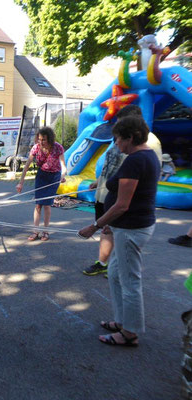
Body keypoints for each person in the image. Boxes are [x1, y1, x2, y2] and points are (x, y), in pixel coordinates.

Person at [78, 116, 160, 347]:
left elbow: (122, 204)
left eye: (118, 139)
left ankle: (129, 333)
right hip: (128, 226)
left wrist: (94, 225)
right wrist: (110, 223)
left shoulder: (137, 160)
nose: (116, 144)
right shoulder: (145, 156)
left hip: (132, 229)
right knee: (115, 275)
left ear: (130, 137)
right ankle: (123, 321)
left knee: (129, 280)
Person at [83, 104, 163, 276]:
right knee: (108, 233)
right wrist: (100, 181)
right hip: (106, 195)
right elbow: (112, 165)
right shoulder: (122, 142)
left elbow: (146, 179)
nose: (117, 138)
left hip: (127, 214)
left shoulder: (145, 148)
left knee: (127, 280)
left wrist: (93, 227)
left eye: (121, 129)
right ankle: (103, 262)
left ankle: (116, 266)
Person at [16, 127, 66, 241]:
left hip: (54, 177)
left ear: (50, 139)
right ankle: (35, 231)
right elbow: (27, 165)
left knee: (47, 204)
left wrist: (63, 176)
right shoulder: (36, 147)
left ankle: (46, 231)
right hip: (42, 176)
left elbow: (63, 166)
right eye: (39, 139)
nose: (41, 142)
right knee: (38, 204)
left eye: (43, 139)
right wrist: (20, 183)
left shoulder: (58, 148)